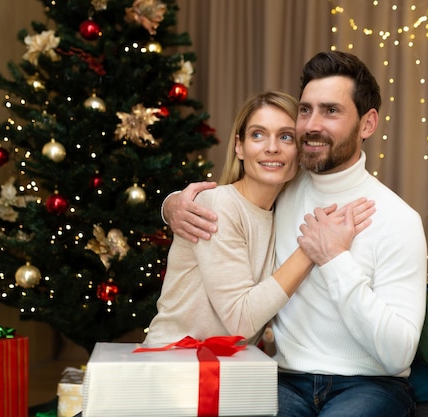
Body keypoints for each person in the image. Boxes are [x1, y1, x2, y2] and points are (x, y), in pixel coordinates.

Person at [162, 51, 427, 417]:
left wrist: (335, 258)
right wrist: (172, 204)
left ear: (368, 124)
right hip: (284, 378)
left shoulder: (398, 219)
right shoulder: (282, 189)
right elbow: (233, 200)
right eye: (305, 110)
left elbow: (399, 353)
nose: (312, 125)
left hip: (370, 384)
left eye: (331, 111)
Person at [144, 90, 375, 346]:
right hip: (176, 365)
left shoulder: (283, 210)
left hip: (231, 368)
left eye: (286, 137)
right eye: (258, 135)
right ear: (239, 146)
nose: (272, 148)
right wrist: (313, 247)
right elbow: (241, 322)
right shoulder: (219, 204)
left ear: (299, 151)